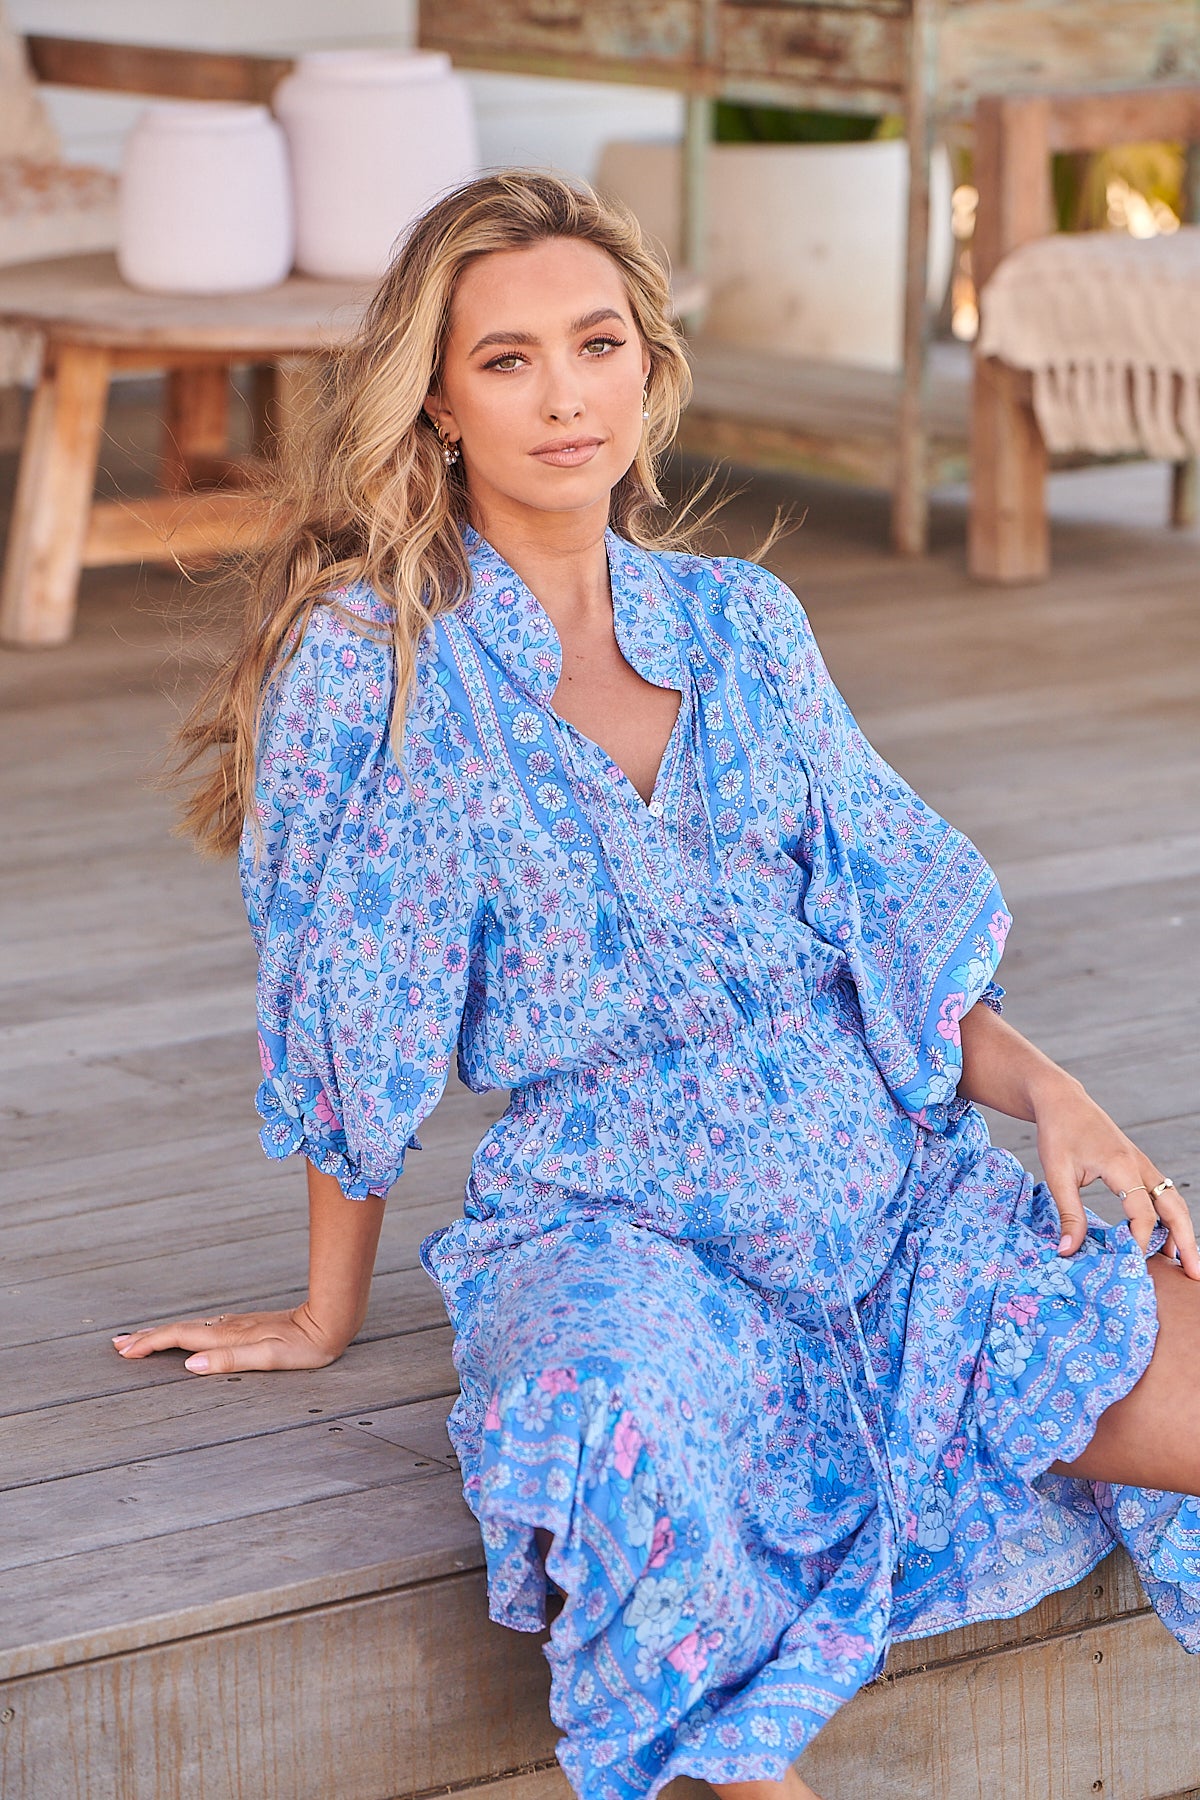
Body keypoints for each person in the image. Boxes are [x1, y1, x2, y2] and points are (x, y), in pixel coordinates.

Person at [113, 172, 1200, 1800]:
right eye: (508, 359)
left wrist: (1057, 1094)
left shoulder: (746, 624)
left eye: (597, 343)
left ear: (647, 365)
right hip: (625, 1235)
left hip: (892, 1208)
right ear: (437, 399)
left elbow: (888, 930)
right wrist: (330, 1311)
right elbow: (354, 1003)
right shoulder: (373, 661)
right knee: (607, 1437)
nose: (565, 395)